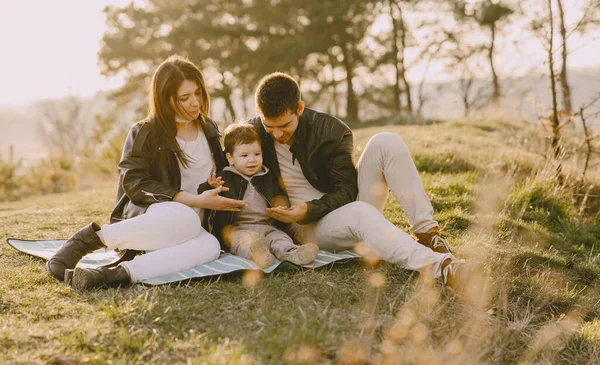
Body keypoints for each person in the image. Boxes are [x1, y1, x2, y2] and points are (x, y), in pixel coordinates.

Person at [248, 72, 467, 288]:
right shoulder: (253, 133)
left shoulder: (331, 131)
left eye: (284, 126)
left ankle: (427, 234)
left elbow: (347, 189)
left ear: (300, 109)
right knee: (361, 212)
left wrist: (309, 208)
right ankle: (443, 267)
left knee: (386, 141)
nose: (277, 134)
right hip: (303, 228)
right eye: (270, 127)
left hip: (336, 207)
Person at [46, 55, 247, 290]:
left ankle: (111, 276)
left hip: (189, 231)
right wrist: (195, 200)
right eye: (185, 97)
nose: (195, 102)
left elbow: (219, 174)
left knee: (211, 246)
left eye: (198, 93)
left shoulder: (209, 129)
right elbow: (133, 182)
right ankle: (90, 240)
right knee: (186, 217)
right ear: (165, 99)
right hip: (152, 221)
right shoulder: (145, 132)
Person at [199, 122, 319, 268]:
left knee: (279, 238)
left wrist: (282, 206)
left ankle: (292, 252)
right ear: (230, 158)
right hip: (237, 229)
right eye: (244, 155)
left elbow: (279, 195)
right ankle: (257, 254)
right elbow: (203, 196)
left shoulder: (268, 176)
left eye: (257, 154)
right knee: (242, 241)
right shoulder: (224, 178)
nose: (252, 159)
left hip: (266, 226)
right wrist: (210, 187)